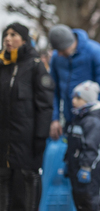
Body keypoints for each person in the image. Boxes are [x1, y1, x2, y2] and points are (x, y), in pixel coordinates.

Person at [0, 22, 54, 210]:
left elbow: (46, 105)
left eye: (13, 34)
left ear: (24, 40)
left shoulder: (35, 66)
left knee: (25, 187)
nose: (8, 38)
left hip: (27, 141)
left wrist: (40, 136)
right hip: (3, 142)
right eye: (5, 34)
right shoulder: (2, 65)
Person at [48, 24, 100, 140]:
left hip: (91, 121)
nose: (59, 54)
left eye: (62, 50)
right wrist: (55, 118)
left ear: (70, 43)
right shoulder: (56, 57)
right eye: (57, 51)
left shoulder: (95, 52)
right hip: (69, 118)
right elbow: (53, 90)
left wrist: (97, 117)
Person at [65, 80, 100, 211]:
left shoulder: (93, 121)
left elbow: (92, 147)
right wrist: (67, 161)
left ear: (87, 100)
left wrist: (86, 167)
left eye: (78, 98)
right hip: (75, 169)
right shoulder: (78, 119)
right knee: (79, 202)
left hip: (90, 172)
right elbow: (72, 145)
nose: (74, 100)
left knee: (90, 202)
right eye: (73, 97)